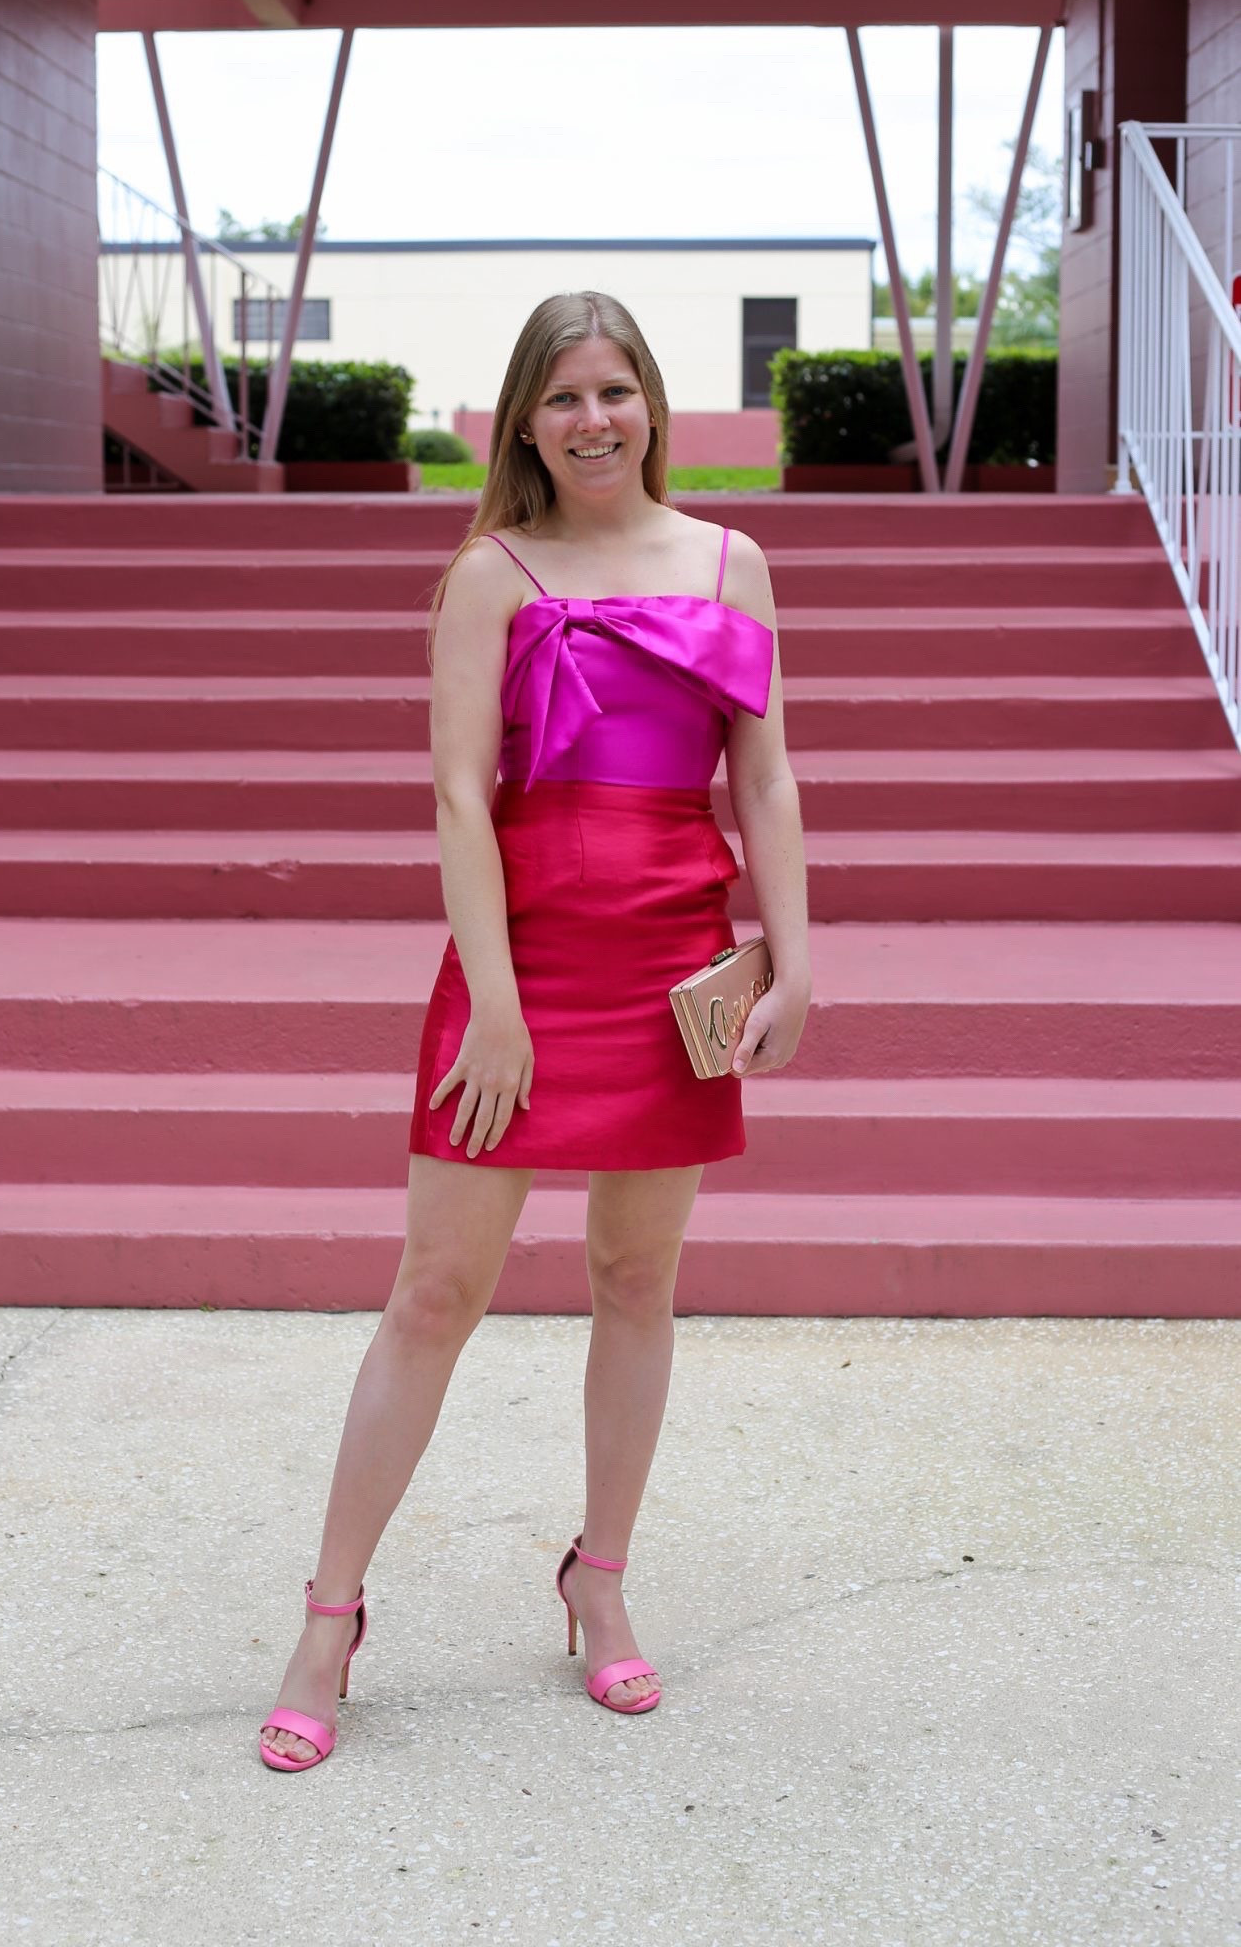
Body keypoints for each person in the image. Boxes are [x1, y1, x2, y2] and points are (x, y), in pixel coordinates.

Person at [259, 290, 812, 1771]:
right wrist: (492, 1006)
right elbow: (454, 797)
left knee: (636, 1279)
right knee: (434, 1290)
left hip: (674, 960)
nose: (590, 420)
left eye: (612, 390)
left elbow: (760, 781)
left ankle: (602, 1584)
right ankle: (329, 1615)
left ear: (650, 402)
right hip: (520, 969)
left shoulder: (729, 561)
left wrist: (794, 963)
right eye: (559, 397)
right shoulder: (488, 575)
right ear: (520, 419)